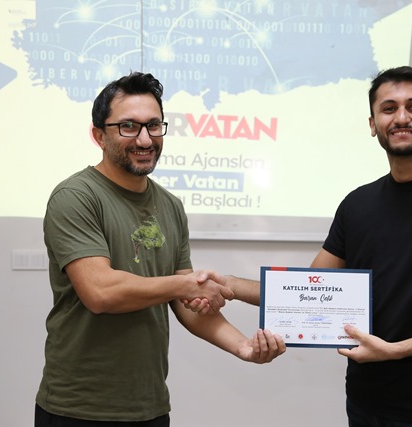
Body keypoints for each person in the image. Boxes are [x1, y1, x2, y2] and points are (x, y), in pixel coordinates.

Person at [215, 66, 412, 426]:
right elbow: (306, 292)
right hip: (364, 406)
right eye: (389, 108)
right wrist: (229, 285)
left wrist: (395, 351)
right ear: (372, 124)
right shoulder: (357, 205)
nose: (401, 117)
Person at [34, 71, 285, 427]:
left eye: (153, 125)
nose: (144, 139)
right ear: (99, 135)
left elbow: (189, 305)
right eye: (128, 126)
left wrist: (242, 346)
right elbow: (100, 292)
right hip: (78, 408)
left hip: (149, 405)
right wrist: (185, 285)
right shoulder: (76, 197)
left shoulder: (170, 206)